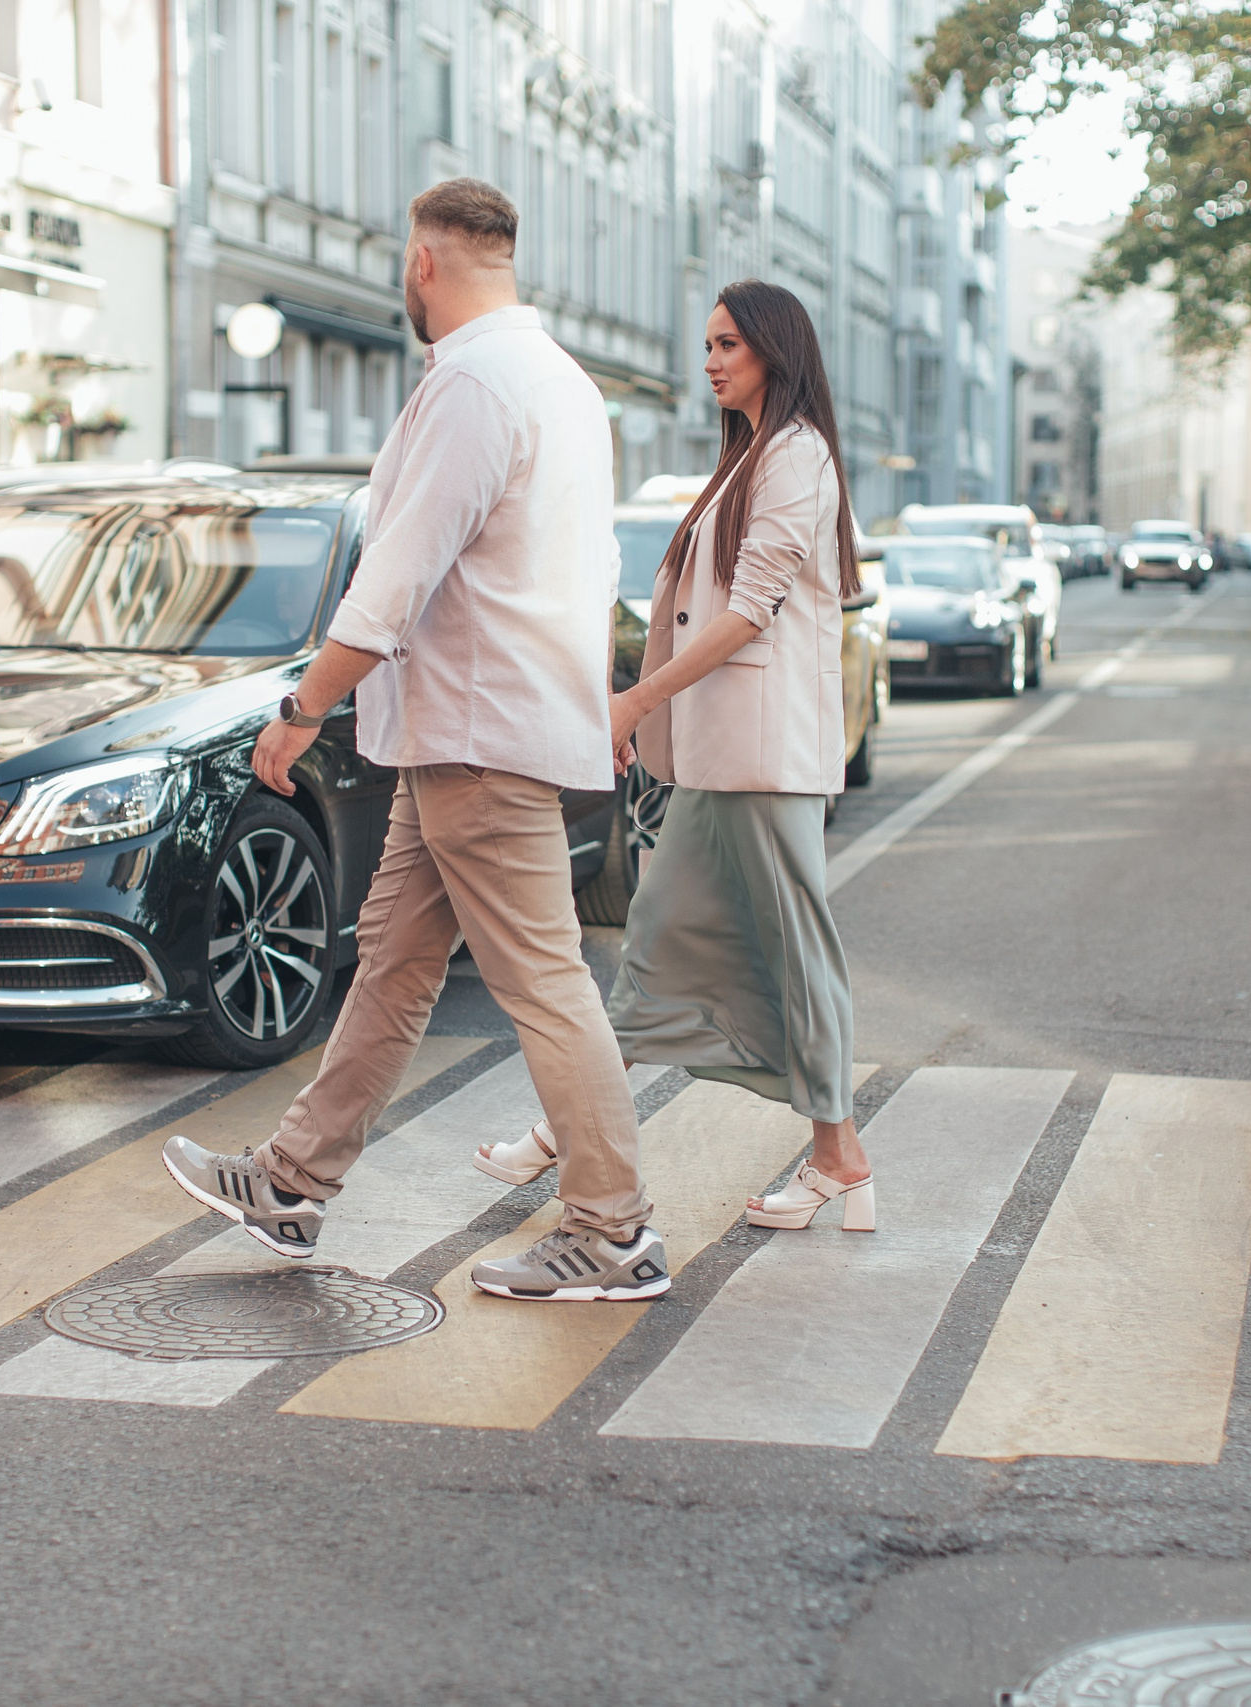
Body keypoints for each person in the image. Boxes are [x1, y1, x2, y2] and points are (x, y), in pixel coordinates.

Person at [160, 179, 667, 1303]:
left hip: (480, 733)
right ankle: (293, 1182)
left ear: (424, 263)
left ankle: (615, 1229)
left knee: (543, 981)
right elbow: (589, 575)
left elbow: (398, 569)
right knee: (389, 963)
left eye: (405, 261)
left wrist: (300, 712)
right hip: (482, 728)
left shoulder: (475, 383)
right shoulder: (567, 386)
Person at [471, 280, 874, 1233]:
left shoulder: (795, 457)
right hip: (724, 757)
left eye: (728, 344)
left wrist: (635, 702)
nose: (710, 361)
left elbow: (748, 611)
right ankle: (580, 1132)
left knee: (792, 951)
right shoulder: (754, 458)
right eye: (708, 344)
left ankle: (840, 1156)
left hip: (763, 758)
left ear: (776, 349)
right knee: (660, 949)